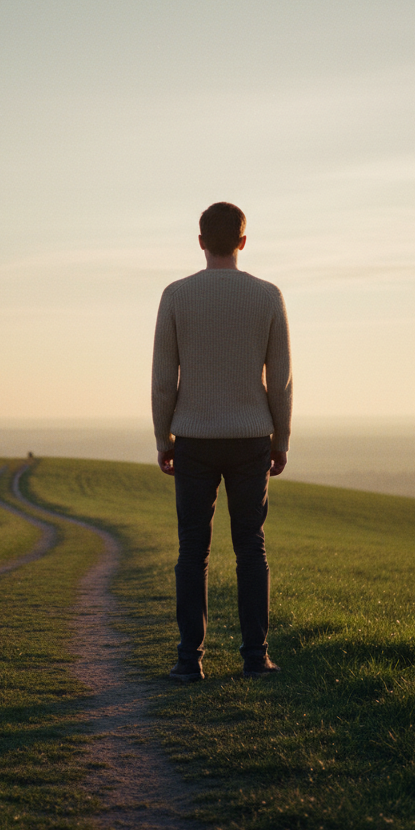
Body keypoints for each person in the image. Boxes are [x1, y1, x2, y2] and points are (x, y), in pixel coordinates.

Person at [151, 202, 292, 682]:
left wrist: (162, 435)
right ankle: (256, 657)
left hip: (193, 436)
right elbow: (282, 379)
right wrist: (282, 438)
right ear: (243, 242)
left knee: (193, 550)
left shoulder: (175, 295)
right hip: (253, 435)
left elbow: (162, 378)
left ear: (200, 241)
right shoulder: (268, 296)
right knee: (251, 548)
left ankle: (189, 661)